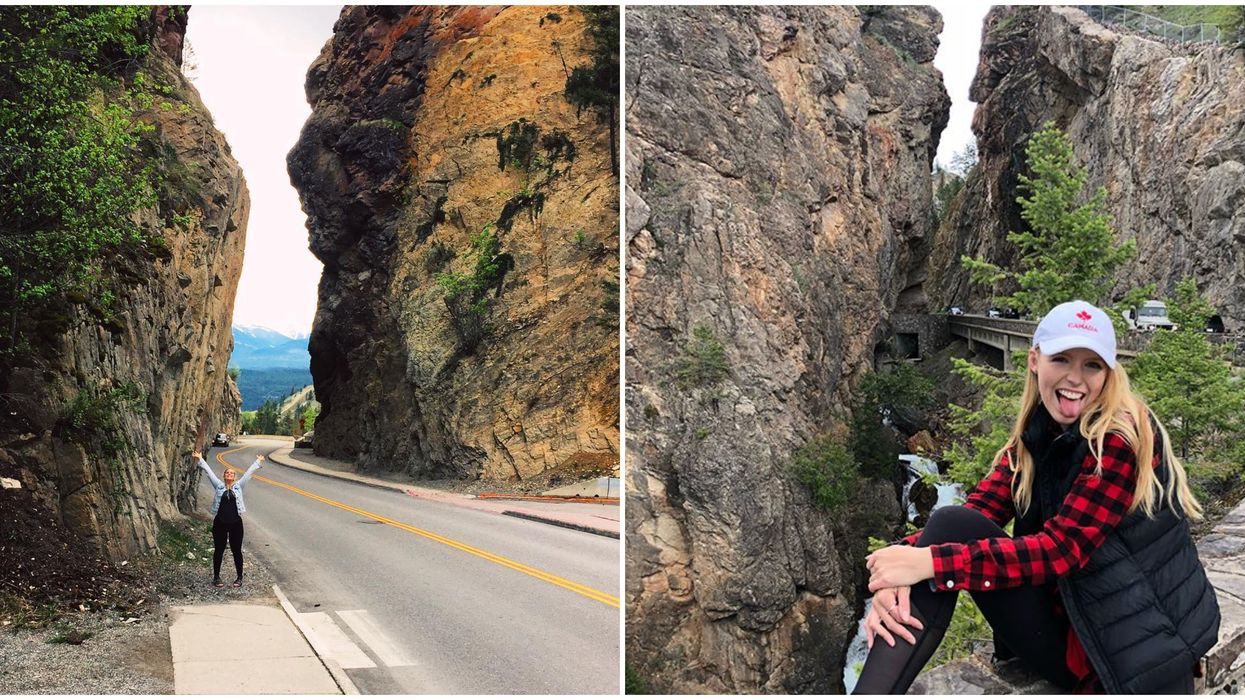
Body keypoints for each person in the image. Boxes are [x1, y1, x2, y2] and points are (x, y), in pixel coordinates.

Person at [853, 300, 1220, 694]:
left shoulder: (1118, 438)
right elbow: (978, 510)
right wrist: (898, 572)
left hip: (1128, 660)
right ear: (1034, 360)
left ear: (1109, 374)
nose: (1075, 378)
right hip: (1080, 625)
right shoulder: (1039, 431)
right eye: (1061, 359)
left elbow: (1061, 550)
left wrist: (926, 562)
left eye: (1092, 365)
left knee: (939, 551)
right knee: (947, 527)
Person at [194, 450, 265, 588]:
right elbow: (209, 473)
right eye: (227, 473)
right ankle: (216, 577)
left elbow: (248, 474)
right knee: (219, 550)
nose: (229, 475)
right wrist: (200, 459)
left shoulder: (239, 486)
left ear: (234, 476)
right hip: (220, 522)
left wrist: (258, 462)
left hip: (235, 524)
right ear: (224, 476)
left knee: (236, 550)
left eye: (232, 473)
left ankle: (239, 577)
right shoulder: (218, 486)